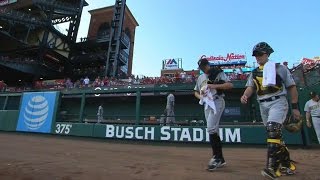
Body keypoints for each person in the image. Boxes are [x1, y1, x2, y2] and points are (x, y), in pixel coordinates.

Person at [240, 42, 300, 179]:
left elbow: (292, 87)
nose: (257, 57)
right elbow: (251, 87)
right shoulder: (254, 72)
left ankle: (273, 168)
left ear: (267, 54)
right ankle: (287, 164)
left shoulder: (280, 68)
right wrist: (245, 95)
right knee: (275, 135)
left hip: (278, 101)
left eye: (260, 54)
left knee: (273, 130)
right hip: (263, 104)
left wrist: (295, 107)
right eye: (255, 55)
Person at [194, 58, 233, 171]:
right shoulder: (200, 77)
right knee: (213, 130)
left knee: (211, 128)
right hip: (207, 103)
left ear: (208, 65)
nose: (203, 69)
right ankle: (221, 158)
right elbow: (195, 92)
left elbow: (230, 85)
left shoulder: (218, 72)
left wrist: (213, 86)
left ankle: (216, 158)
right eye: (201, 67)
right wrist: (200, 97)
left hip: (217, 100)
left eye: (204, 66)